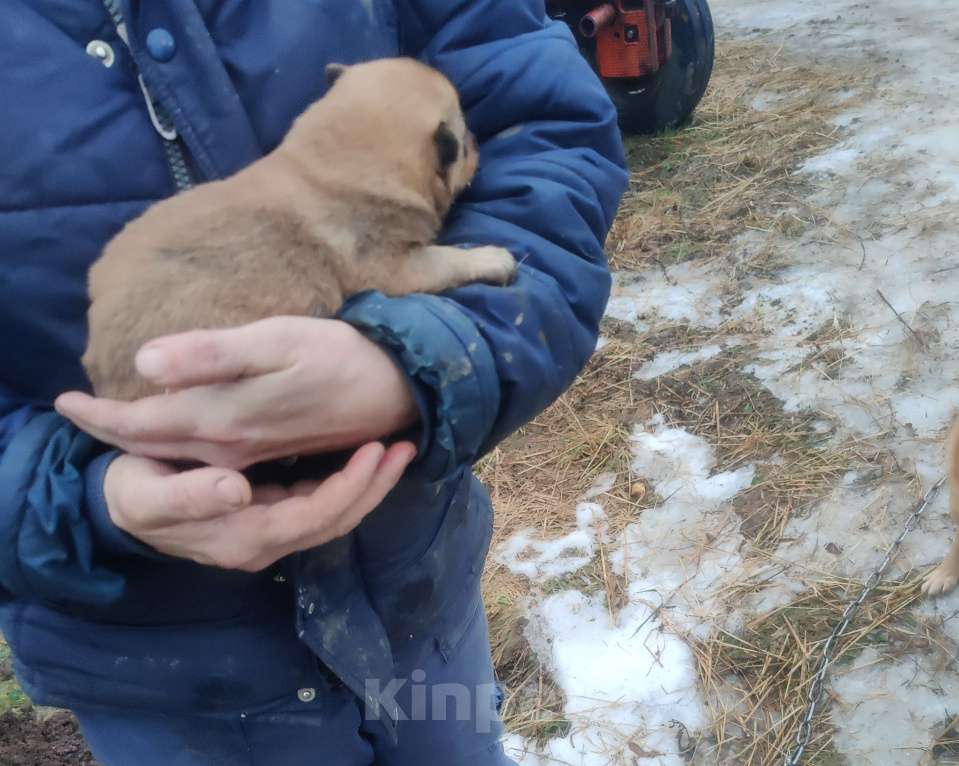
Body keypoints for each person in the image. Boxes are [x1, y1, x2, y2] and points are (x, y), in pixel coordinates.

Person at [0, 1, 627, 764]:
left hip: (411, 587)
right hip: (159, 668)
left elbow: (543, 125)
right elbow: (401, 253)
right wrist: (81, 499)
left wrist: (420, 353)